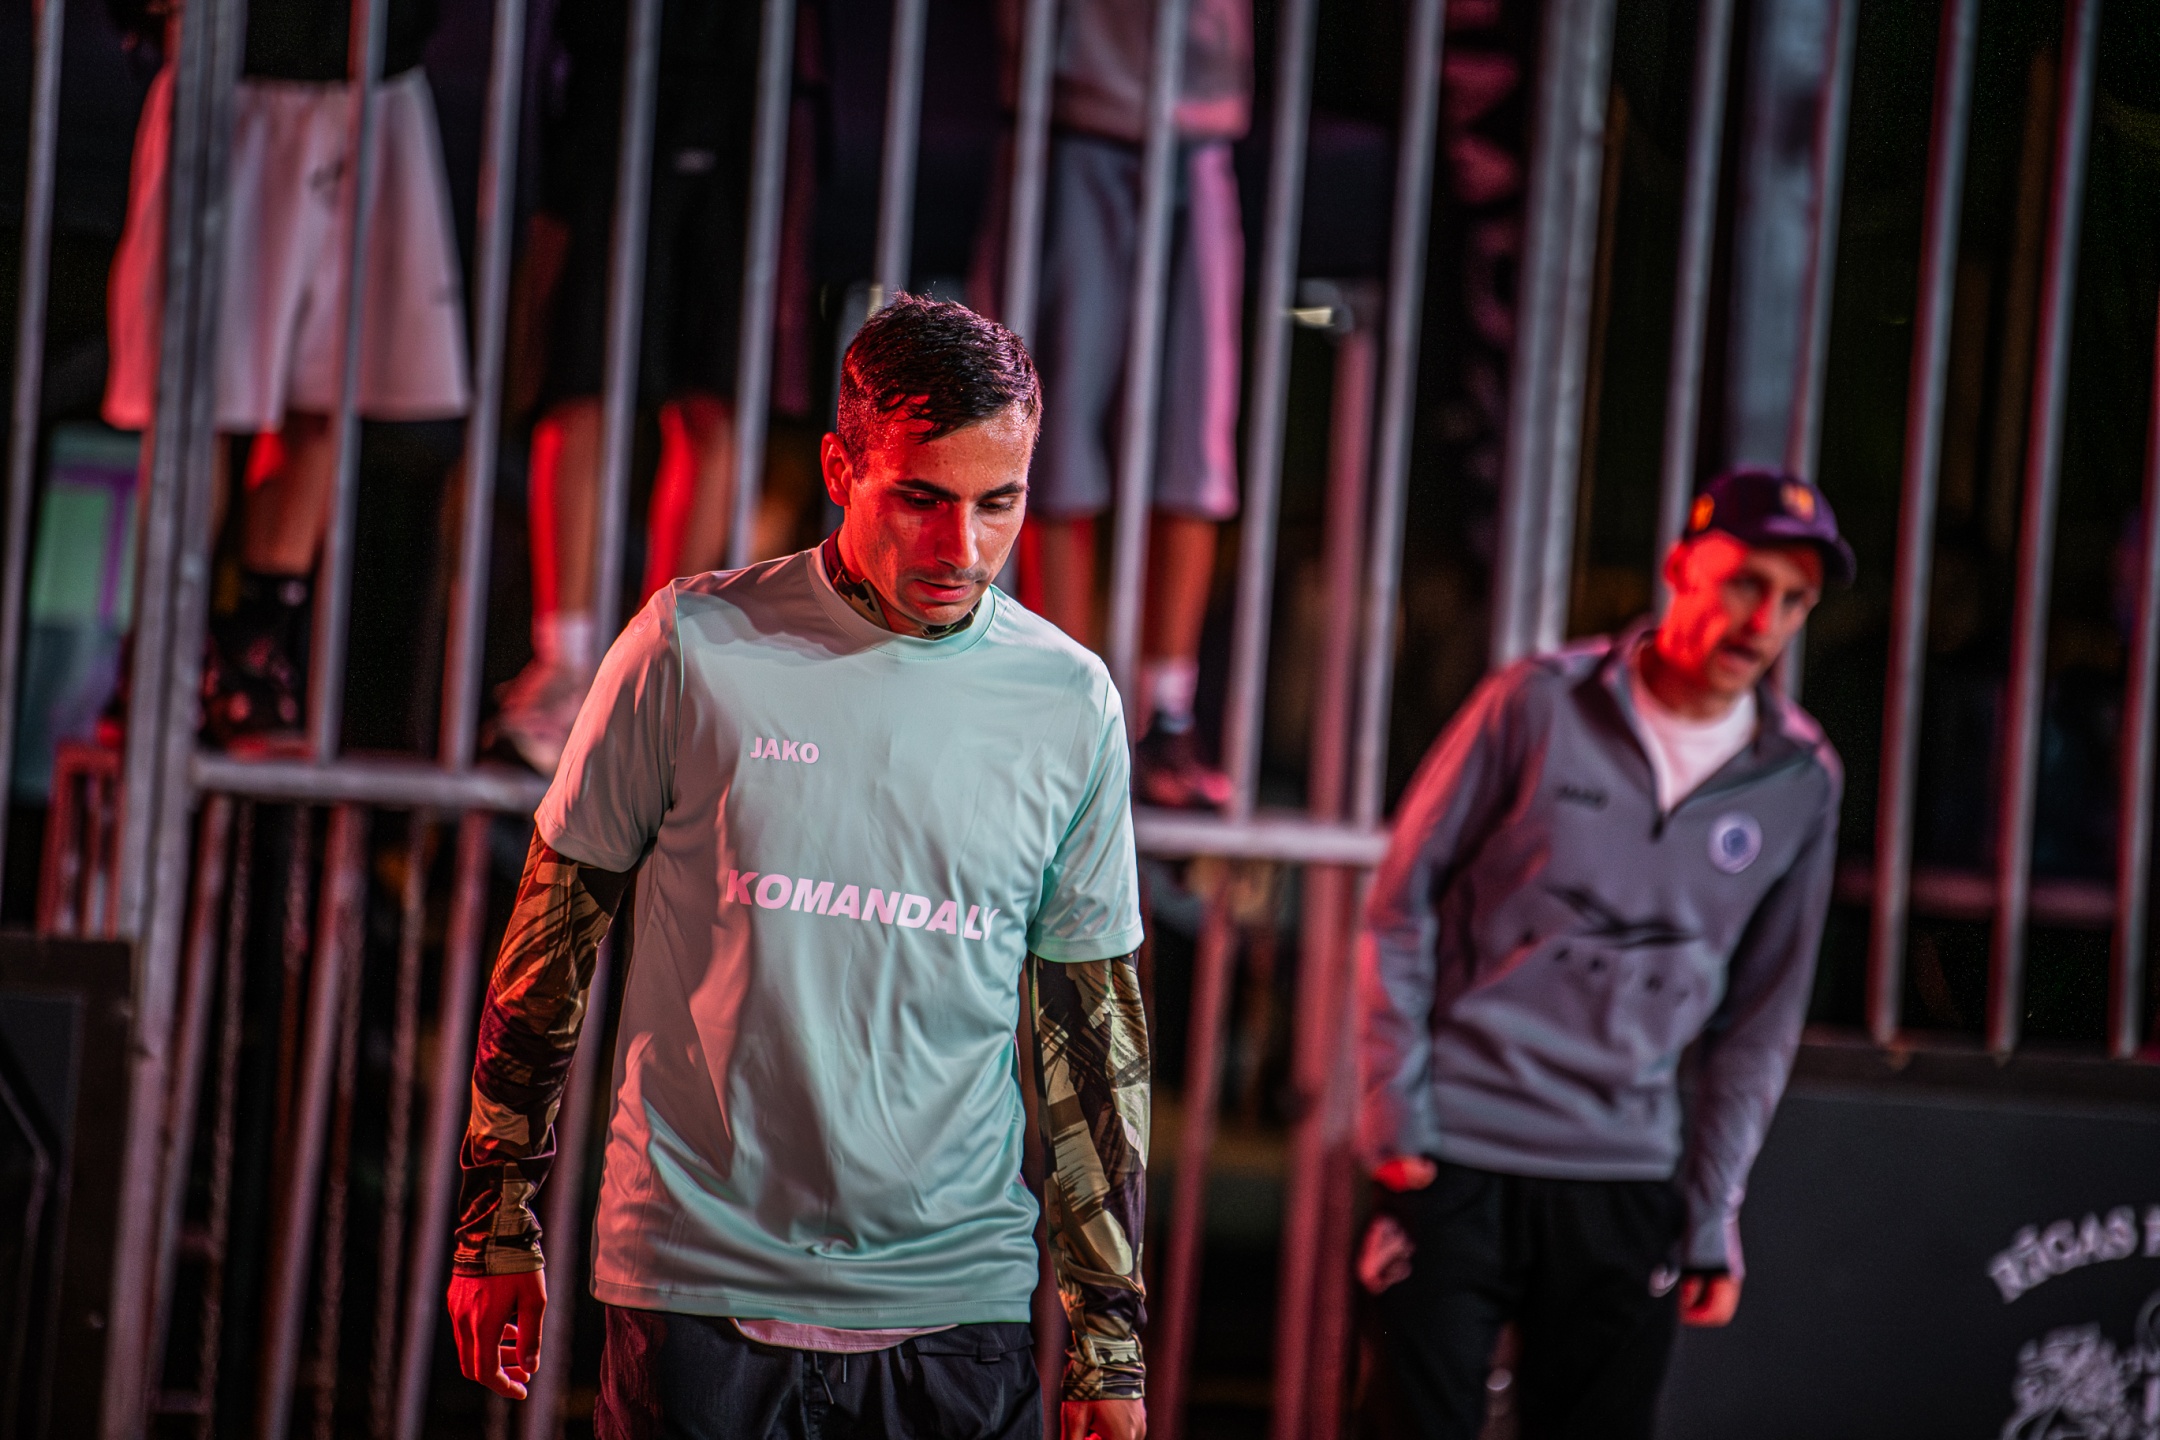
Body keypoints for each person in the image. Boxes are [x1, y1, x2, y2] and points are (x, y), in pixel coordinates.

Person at [447, 296, 1151, 1440]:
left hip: (959, 1314)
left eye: (998, 503)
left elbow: (1093, 1035)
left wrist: (1108, 1346)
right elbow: (550, 946)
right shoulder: (690, 645)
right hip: (695, 1298)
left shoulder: (1070, 702)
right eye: (920, 498)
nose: (962, 549)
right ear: (839, 469)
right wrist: (494, 1223)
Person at [1355, 467, 1854, 1439]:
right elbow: (1399, 903)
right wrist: (1394, 1110)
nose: (1764, 620)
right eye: (1745, 582)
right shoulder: (1538, 703)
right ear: (1679, 568)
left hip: (1627, 1176)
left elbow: (1761, 1021)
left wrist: (1711, 1210)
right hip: (1454, 1151)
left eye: (1795, 600)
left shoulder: (1801, 778)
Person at [104, 0, 468, 744]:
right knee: (196, 392)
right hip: (232, 67)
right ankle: (165, 649)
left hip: (372, 73)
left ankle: (258, 647)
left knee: (330, 382)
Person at [490, 0, 764, 776]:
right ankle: (565, 664)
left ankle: (657, 674)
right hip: (615, 69)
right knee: (583, 374)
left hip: (745, 79)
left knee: (717, 396)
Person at [1004, 0, 1252, 809]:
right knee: (1052, 432)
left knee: (1195, 436)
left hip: (1203, 112)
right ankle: (1065, 713)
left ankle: (1167, 719)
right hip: (1073, 105)